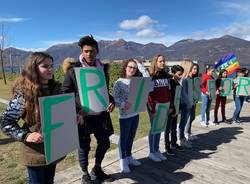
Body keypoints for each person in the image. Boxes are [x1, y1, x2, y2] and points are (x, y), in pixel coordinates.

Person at [0, 52, 61, 184]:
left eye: (52, 65)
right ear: (34, 68)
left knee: (49, 181)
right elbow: (5, 122)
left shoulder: (56, 89)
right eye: (45, 66)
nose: (51, 69)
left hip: (54, 148)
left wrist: (75, 116)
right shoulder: (24, 93)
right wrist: (25, 135)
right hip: (34, 151)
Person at [61, 35, 115, 183]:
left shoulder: (102, 69)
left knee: (105, 143)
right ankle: (85, 174)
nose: (89, 54)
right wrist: (78, 109)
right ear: (81, 51)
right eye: (86, 51)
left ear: (97, 51)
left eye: (91, 51)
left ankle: (97, 168)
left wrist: (112, 102)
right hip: (83, 116)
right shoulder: (74, 70)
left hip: (100, 115)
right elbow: (65, 92)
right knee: (84, 147)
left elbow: (104, 91)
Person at [112, 59, 142, 173]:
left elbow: (146, 84)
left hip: (135, 113)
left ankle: (129, 156)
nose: (132, 69)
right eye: (130, 67)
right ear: (125, 67)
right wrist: (123, 104)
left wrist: (141, 66)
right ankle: (123, 160)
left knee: (131, 137)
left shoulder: (137, 81)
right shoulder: (119, 82)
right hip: (125, 115)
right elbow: (114, 98)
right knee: (123, 138)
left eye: (134, 68)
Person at [147, 54, 173, 162]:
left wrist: (171, 106)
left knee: (159, 128)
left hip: (164, 106)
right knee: (154, 129)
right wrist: (152, 109)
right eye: (160, 61)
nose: (163, 63)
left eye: (163, 61)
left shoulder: (167, 76)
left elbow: (169, 92)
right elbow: (148, 94)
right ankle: (151, 152)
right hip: (154, 107)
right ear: (155, 62)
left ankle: (157, 150)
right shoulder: (151, 76)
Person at [164, 65, 184, 155]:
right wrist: (171, 109)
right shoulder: (169, 83)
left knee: (174, 128)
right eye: (179, 74)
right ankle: (167, 147)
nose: (181, 76)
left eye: (181, 74)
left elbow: (178, 98)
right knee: (167, 129)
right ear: (173, 73)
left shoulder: (178, 84)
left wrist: (179, 109)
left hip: (176, 109)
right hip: (170, 109)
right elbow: (169, 97)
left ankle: (174, 143)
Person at [178, 59, 194, 148]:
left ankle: (182, 138)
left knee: (184, 122)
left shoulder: (187, 78)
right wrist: (189, 103)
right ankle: (181, 139)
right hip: (185, 104)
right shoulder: (184, 79)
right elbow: (183, 93)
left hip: (188, 103)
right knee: (183, 122)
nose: (192, 69)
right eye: (191, 67)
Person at [184, 63, 200, 141]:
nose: (195, 70)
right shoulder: (187, 78)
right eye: (194, 69)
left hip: (194, 100)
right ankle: (186, 133)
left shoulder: (195, 78)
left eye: (196, 69)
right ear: (190, 69)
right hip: (188, 101)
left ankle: (189, 132)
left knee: (193, 117)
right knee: (188, 118)